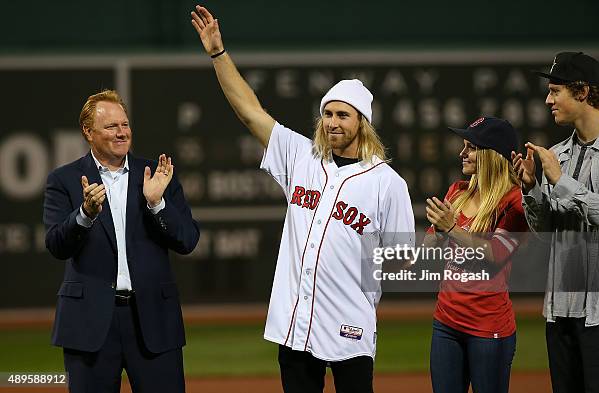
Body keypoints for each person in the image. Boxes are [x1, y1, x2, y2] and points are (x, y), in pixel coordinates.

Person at [191, 5, 415, 393]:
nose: (332, 122)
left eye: (342, 115)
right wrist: (218, 54)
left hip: (351, 327)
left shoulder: (387, 184)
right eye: (327, 113)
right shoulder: (301, 157)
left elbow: (401, 259)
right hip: (297, 325)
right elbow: (250, 112)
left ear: (362, 121)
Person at [43, 89, 200, 393]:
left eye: (125, 124)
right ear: (88, 132)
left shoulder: (156, 174)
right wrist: (85, 215)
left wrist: (157, 204)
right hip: (90, 323)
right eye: (111, 126)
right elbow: (56, 245)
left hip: (153, 318)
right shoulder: (63, 180)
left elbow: (188, 240)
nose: (121, 133)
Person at [512, 52, 599, 393]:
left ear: (582, 92)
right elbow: (546, 232)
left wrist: (560, 181)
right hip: (562, 309)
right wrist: (532, 189)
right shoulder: (560, 154)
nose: (548, 99)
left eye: (556, 91)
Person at [425, 117, 528, 393]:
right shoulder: (457, 192)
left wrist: (452, 228)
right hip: (446, 322)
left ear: (490, 155)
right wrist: (437, 234)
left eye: (470, 147)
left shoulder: (515, 202)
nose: (462, 154)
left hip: (488, 329)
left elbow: (495, 255)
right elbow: (429, 249)